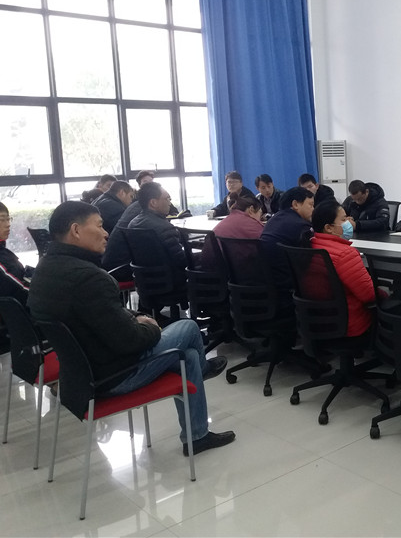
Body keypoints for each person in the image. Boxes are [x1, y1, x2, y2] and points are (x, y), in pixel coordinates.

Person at [27, 201, 234, 456]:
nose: (106, 233)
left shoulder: (46, 269)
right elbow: (131, 342)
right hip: (113, 375)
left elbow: (97, 315)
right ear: (76, 230)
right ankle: (203, 372)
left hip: (79, 375)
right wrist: (152, 326)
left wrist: (134, 319)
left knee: (188, 356)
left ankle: (197, 436)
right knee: (189, 328)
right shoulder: (88, 277)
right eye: (99, 226)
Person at [311, 200, 376, 337]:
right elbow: (369, 295)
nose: (348, 222)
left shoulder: (309, 246)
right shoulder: (345, 254)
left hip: (315, 320)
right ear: (329, 228)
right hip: (349, 323)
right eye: (343, 219)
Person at [127, 182, 188, 290]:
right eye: (167, 199)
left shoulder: (132, 224)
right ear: (153, 202)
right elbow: (181, 261)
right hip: (172, 283)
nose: (170, 203)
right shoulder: (164, 227)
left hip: (145, 284)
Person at [260, 186, 315, 295]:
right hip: (287, 286)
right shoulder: (302, 227)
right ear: (295, 204)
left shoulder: (273, 220)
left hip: (266, 281)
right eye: (310, 205)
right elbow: (310, 261)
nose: (313, 209)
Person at [0, 198, 31, 309]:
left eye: (8, 219)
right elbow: (16, 288)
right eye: (2, 220)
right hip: (23, 312)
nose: (8, 224)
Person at [200, 192, 265, 271]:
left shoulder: (225, 222)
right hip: (236, 273)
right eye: (260, 213)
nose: (260, 218)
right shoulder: (253, 226)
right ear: (251, 209)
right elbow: (267, 246)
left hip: (209, 270)